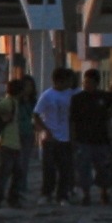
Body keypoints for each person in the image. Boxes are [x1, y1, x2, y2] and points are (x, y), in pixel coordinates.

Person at [0, 63, 37, 206]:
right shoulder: (9, 102)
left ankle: (12, 198)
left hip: (14, 143)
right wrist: (5, 117)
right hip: (6, 143)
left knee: (16, 173)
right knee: (4, 172)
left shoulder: (14, 102)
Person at [63, 68, 112, 203]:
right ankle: (86, 194)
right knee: (83, 168)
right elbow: (72, 120)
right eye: (85, 82)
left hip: (101, 138)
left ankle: (104, 192)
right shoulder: (77, 99)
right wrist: (72, 138)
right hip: (83, 138)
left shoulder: (105, 97)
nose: (87, 85)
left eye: (90, 82)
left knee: (103, 168)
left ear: (97, 83)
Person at [32, 67, 78, 205]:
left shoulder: (72, 94)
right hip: (50, 138)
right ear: (60, 80)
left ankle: (63, 196)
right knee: (49, 169)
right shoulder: (47, 95)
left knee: (65, 169)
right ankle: (46, 193)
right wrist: (44, 130)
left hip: (66, 137)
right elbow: (36, 115)